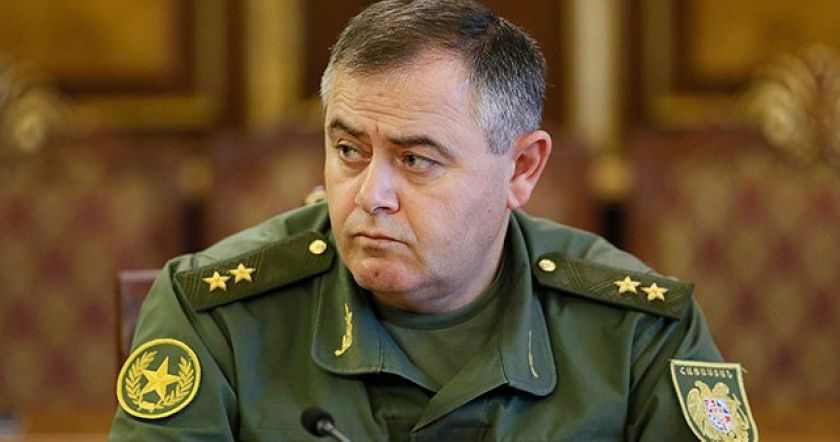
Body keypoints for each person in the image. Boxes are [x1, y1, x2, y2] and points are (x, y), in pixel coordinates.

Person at [109, 1, 757, 440]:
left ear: (522, 169)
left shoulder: (640, 330)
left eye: (416, 160)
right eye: (349, 151)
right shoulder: (214, 314)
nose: (371, 195)